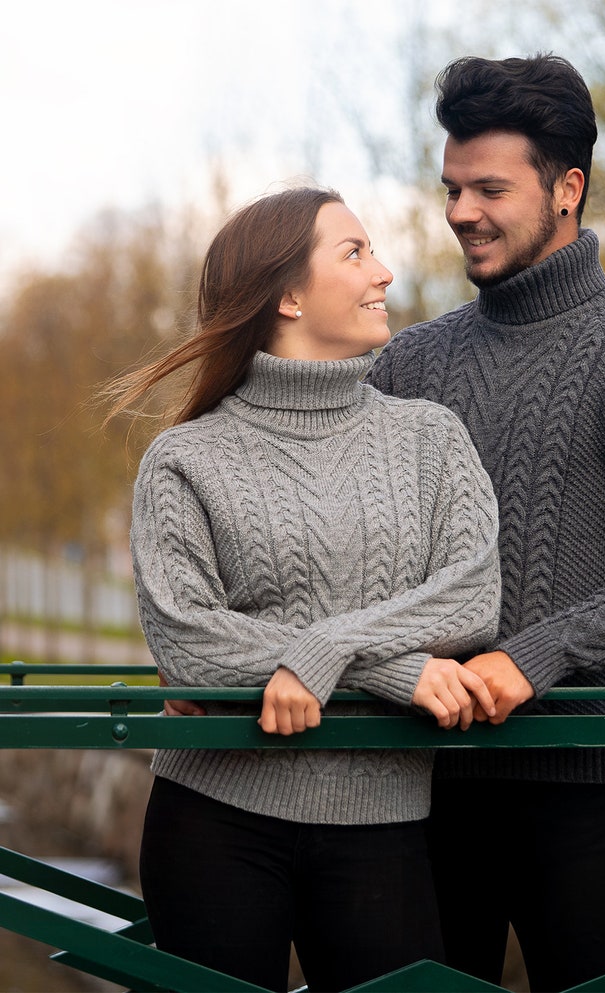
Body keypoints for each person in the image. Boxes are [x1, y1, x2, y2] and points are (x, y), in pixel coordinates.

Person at [366, 54, 605, 992]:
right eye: (451, 188)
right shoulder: (406, 365)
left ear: (568, 188)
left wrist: (536, 655)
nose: (460, 211)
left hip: (579, 792)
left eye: (489, 187)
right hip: (419, 782)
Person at [106, 186, 502, 993]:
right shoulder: (185, 460)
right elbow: (190, 644)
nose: (384, 271)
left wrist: (321, 650)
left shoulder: (431, 436)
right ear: (287, 294)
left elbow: (471, 598)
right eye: (354, 252)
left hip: (385, 826)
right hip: (214, 818)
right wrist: (390, 667)